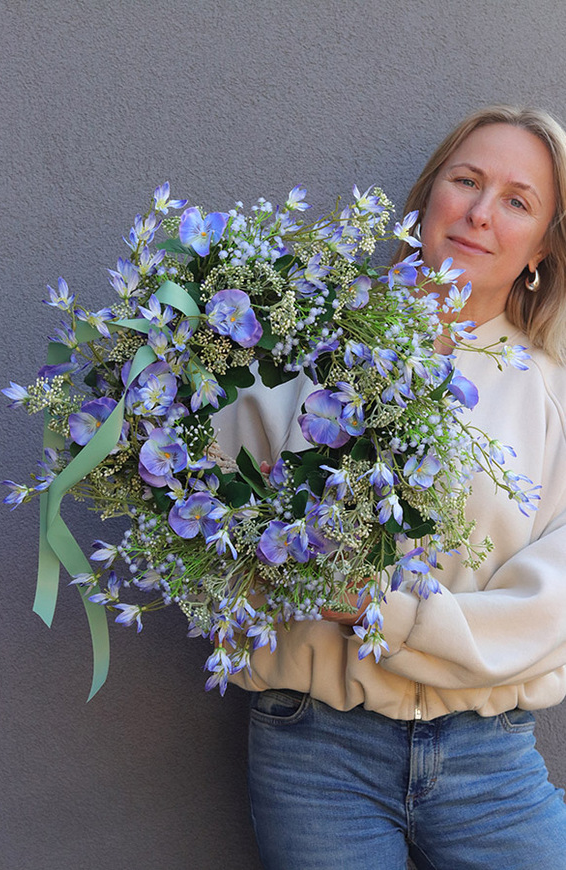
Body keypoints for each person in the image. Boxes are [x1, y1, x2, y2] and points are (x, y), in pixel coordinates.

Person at [215, 106, 566, 869]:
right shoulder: (307, 341)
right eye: (465, 181)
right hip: (316, 752)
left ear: (541, 249)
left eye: (516, 200)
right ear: (425, 199)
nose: (479, 212)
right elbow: (224, 504)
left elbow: (553, 605)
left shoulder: (552, 396)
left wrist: (387, 616)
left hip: (489, 763)